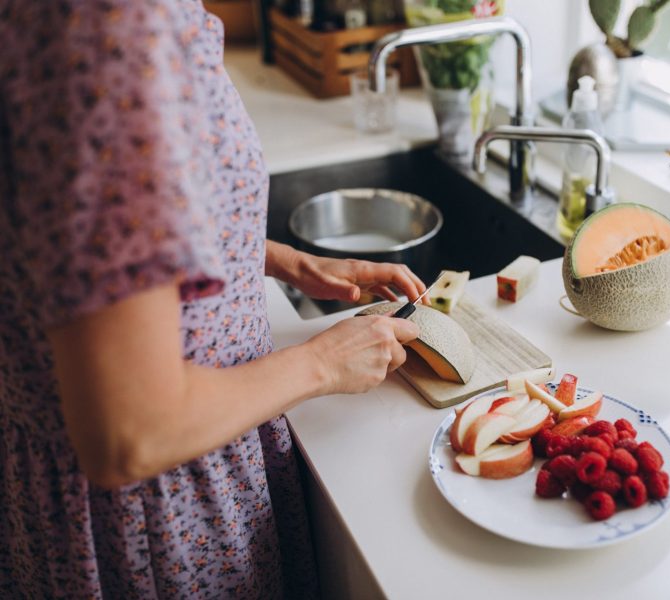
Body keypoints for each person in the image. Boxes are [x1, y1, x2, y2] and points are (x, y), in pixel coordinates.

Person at [0, 1, 423, 597]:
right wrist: (323, 362)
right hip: (155, 522)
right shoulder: (108, 23)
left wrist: (281, 259)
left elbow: (94, 228)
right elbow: (131, 432)